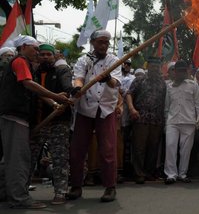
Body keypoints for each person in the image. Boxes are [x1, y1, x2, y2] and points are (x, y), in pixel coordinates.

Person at [0, 36, 71, 209]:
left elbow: (38, 92)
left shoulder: (54, 70)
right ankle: (18, 198)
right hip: (16, 117)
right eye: (37, 50)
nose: (39, 54)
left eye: (46, 53)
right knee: (19, 159)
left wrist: (54, 104)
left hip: (32, 120)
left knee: (19, 157)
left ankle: (11, 194)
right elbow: (30, 85)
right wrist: (56, 97)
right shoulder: (20, 62)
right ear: (24, 47)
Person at [67, 30, 122, 202]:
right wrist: (77, 88)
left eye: (106, 42)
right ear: (93, 42)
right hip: (85, 108)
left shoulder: (114, 60)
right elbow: (79, 78)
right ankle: (76, 186)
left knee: (107, 150)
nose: (104, 45)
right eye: (100, 42)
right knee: (77, 150)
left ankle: (110, 187)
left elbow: (116, 83)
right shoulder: (83, 60)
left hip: (105, 109)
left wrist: (107, 79)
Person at [29, 43, 74, 205]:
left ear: (54, 56)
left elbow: (68, 88)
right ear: (38, 56)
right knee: (30, 157)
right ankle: (21, 191)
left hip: (58, 121)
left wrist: (70, 94)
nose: (46, 57)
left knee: (60, 157)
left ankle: (60, 192)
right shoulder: (32, 72)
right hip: (36, 122)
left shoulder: (62, 71)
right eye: (42, 54)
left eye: (49, 54)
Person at [126, 57, 167, 184]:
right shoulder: (139, 79)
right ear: (148, 66)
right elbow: (129, 94)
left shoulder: (162, 82)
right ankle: (138, 173)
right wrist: (132, 109)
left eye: (157, 66)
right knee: (139, 147)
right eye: (153, 66)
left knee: (153, 147)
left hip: (156, 119)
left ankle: (149, 172)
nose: (155, 68)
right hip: (141, 117)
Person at [163, 61, 199, 184]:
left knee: (185, 150)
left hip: (189, 121)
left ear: (186, 71)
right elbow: (166, 106)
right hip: (172, 121)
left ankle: (182, 174)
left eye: (183, 71)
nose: (181, 73)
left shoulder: (193, 85)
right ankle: (171, 174)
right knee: (170, 146)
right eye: (179, 71)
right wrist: (166, 122)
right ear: (174, 72)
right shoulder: (169, 86)